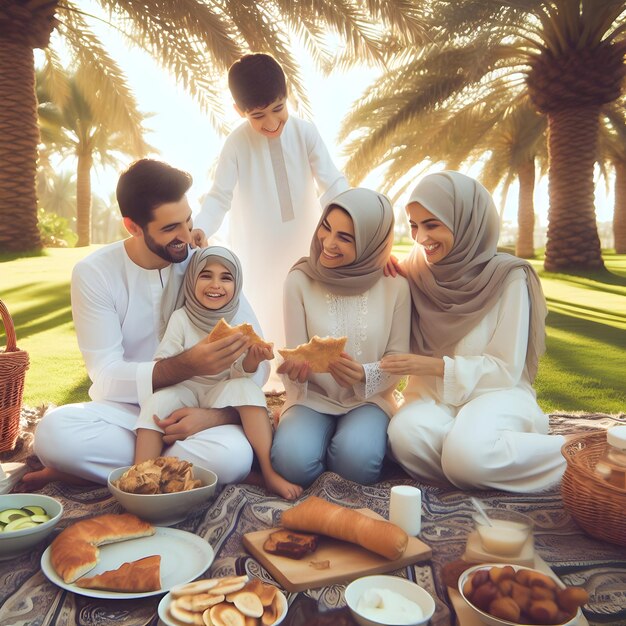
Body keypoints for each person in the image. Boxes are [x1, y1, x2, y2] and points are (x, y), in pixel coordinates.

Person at [25, 159, 264, 488]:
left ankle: (122, 470)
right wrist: (184, 365)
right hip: (126, 414)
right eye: (170, 229)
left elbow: (259, 361)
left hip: (200, 410)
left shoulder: (206, 267)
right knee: (52, 435)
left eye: (187, 220)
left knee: (231, 457)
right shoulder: (95, 273)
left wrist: (216, 416)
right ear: (132, 226)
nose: (186, 236)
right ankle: (163, 468)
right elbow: (105, 374)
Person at [383, 171, 565, 493]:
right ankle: (476, 462)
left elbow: (506, 370)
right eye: (413, 225)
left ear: (465, 220)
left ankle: (576, 453)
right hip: (434, 397)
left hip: (496, 393)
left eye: (432, 224)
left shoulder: (508, 278)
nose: (420, 238)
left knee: (466, 455)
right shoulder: (415, 271)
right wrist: (379, 266)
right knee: (403, 437)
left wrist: (432, 366)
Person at [194, 53, 349, 372]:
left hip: (307, 245)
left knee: (310, 310)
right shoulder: (236, 143)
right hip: (259, 249)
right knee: (263, 311)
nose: (271, 123)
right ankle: (266, 381)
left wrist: (357, 221)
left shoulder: (305, 132)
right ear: (239, 111)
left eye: (278, 109)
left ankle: (313, 378)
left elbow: (332, 183)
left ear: (287, 95)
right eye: (257, 115)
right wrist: (201, 227)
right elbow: (219, 195)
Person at [270, 187, 411, 487]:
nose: (328, 244)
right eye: (326, 227)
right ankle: (315, 445)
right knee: (290, 463)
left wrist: (363, 374)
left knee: (356, 465)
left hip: (369, 400)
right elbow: (294, 353)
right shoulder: (299, 279)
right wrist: (295, 370)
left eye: (345, 238)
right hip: (311, 398)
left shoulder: (395, 284)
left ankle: (349, 446)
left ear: (371, 244)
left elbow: (398, 360)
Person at [135, 245, 302, 499]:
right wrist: (191, 359)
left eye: (226, 278)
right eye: (206, 275)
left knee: (247, 389)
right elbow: (163, 362)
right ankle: (138, 475)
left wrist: (251, 362)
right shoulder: (181, 318)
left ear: (237, 285)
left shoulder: (238, 324)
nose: (215, 284)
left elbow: (239, 377)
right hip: (185, 390)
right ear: (192, 280)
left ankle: (268, 471)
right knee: (156, 401)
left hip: (220, 394)